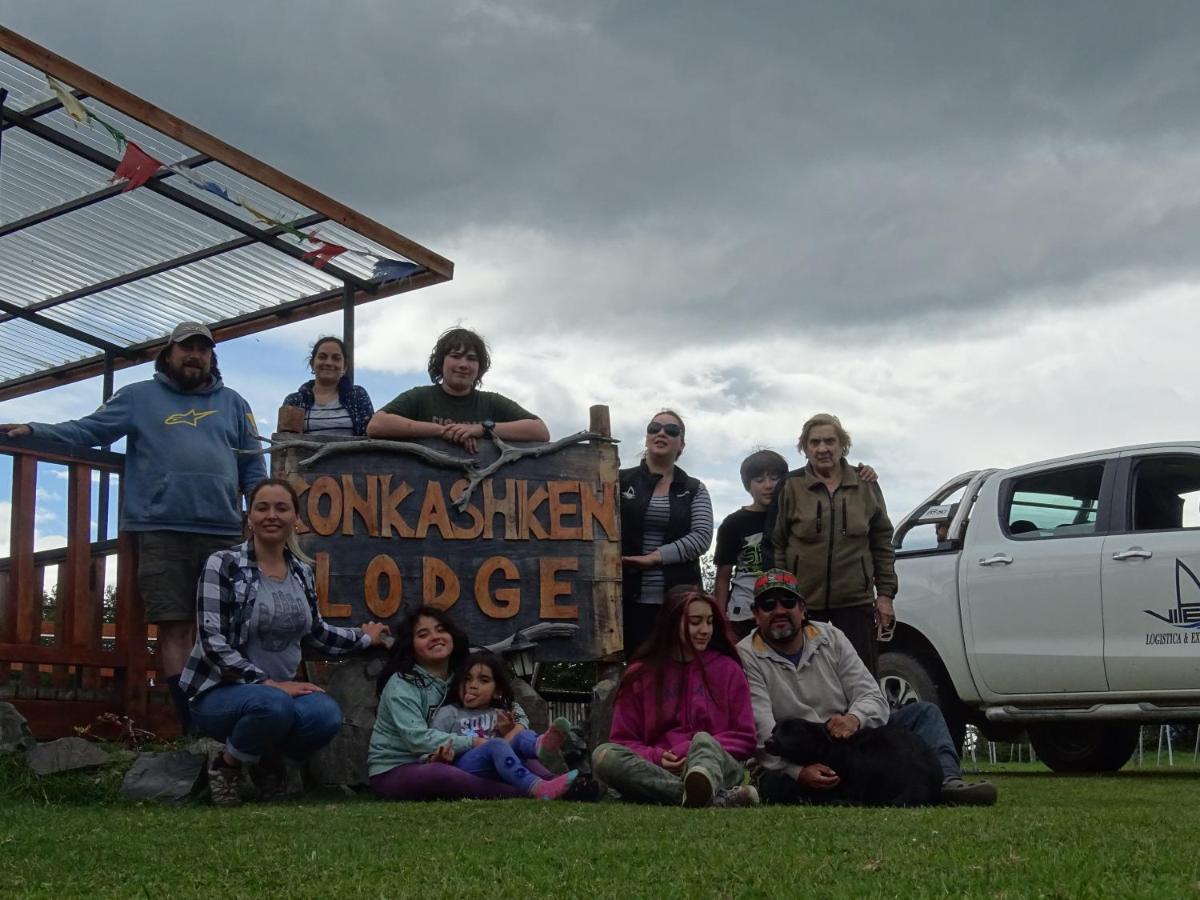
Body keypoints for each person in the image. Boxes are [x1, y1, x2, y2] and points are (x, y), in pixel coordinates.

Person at [0, 321, 266, 732]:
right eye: (186, 349)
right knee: (175, 627)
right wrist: (37, 430)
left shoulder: (234, 403)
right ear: (168, 353)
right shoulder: (138, 397)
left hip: (224, 532)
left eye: (203, 349)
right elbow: (90, 429)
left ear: (212, 357)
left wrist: (257, 512)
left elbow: (253, 464)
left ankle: (229, 717)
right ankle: (190, 724)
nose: (195, 356)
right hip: (160, 528)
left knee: (224, 628)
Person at [179, 478, 390, 806]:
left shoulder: (302, 572)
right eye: (262, 508)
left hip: (277, 696)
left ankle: (264, 761)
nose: (271, 515)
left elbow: (316, 632)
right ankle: (226, 765)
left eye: (282, 508)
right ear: (250, 517)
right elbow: (212, 642)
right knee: (271, 704)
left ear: (296, 518)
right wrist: (269, 683)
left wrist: (365, 638)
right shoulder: (223, 564)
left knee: (325, 715)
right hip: (219, 694)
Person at [738, 569, 996, 806]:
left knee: (924, 714)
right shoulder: (746, 654)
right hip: (792, 752)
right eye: (768, 605)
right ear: (755, 614)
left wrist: (855, 718)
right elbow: (760, 729)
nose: (779, 610)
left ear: (803, 609)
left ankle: (948, 783)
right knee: (773, 784)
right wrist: (797, 772)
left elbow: (871, 695)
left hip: (848, 741)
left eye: (788, 602)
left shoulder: (832, 638)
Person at [368, 606, 558, 801]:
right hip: (398, 768)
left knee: (514, 747)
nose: (435, 636)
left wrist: (516, 728)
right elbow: (416, 739)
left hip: (456, 759)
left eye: (441, 629)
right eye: (423, 634)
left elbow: (508, 703)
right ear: (411, 646)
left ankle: (558, 783)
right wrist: (472, 742)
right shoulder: (402, 684)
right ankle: (525, 792)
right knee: (441, 775)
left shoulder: (461, 676)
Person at [592, 588, 759, 808]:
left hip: (715, 764)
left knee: (703, 740)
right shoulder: (640, 674)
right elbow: (623, 741)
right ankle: (709, 797)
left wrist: (692, 749)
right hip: (658, 768)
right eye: (695, 622)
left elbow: (745, 737)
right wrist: (657, 757)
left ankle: (697, 784)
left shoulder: (729, 670)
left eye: (709, 622)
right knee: (603, 755)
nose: (705, 630)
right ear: (672, 624)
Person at [765, 413, 896, 675]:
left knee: (862, 679)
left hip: (855, 603)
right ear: (805, 447)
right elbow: (774, 543)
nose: (822, 449)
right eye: (814, 442)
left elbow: (881, 542)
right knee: (807, 680)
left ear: (842, 445)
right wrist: (783, 597)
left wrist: (885, 595)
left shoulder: (865, 483)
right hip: (803, 605)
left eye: (829, 441)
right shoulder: (791, 486)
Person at [366, 326, 549, 452]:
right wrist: (443, 431)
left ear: (480, 367)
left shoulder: (491, 402)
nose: (463, 364)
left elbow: (540, 431)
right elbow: (376, 425)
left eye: (471, 358)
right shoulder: (420, 396)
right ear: (441, 362)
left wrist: (481, 430)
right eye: (456, 356)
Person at [620, 410, 714, 653]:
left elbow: (702, 538)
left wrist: (653, 558)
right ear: (647, 436)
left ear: (681, 444)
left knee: (680, 669)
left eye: (672, 430)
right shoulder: (617, 480)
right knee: (636, 672)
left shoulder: (694, 488)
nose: (661, 433)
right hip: (626, 599)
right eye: (654, 427)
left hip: (679, 602)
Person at [428, 651, 577, 799]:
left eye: (483, 680)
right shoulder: (450, 713)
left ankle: (541, 746)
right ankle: (537, 787)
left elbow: (515, 735)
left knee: (521, 735)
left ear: (497, 691)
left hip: (500, 767)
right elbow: (431, 741)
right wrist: (438, 757)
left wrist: (509, 730)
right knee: (496, 745)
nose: (472, 685)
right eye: (467, 679)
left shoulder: (502, 713)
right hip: (466, 766)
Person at [714, 450, 790, 640]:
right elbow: (723, 576)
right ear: (748, 485)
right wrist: (720, 618)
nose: (768, 486)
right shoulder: (733, 523)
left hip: (786, 610)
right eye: (759, 480)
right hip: (744, 612)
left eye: (775, 478)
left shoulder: (792, 517)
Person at [280, 336, 374, 436]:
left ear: (344, 366)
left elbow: (369, 438)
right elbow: (285, 443)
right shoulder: (294, 401)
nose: (329, 363)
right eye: (322, 357)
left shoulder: (357, 396)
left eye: (336, 358)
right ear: (312, 364)